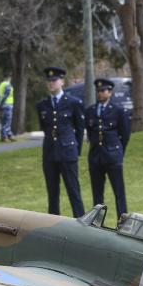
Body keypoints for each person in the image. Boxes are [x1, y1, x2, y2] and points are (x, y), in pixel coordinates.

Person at [36, 66, 85, 218]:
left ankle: (81, 224)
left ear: (62, 81)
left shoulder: (73, 103)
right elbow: (45, 128)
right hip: (50, 153)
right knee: (52, 193)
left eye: (54, 80)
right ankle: (53, 225)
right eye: (49, 81)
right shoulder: (42, 105)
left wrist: (75, 150)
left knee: (73, 191)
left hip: (67, 152)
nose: (51, 83)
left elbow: (80, 128)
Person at [85, 78, 130, 219]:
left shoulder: (118, 110)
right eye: (98, 90)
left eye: (104, 90)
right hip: (95, 157)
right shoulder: (90, 111)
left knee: (119, 192)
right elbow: (90, 131)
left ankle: (122, 221)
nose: (100, 93)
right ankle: (97, 223)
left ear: (110, 92)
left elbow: (125, 134)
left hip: (113, 156)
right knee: (97, 194)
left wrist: (118, 152)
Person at [0, 74, 16, 142]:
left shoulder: (1, 85)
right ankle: (4, 137)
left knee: (5, 121)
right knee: (7, 121)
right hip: (7, 105)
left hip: (3, 105)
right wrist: (1, 104)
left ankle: (9, 135)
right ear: (9, 78)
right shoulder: (8, 85)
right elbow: (5, 95)